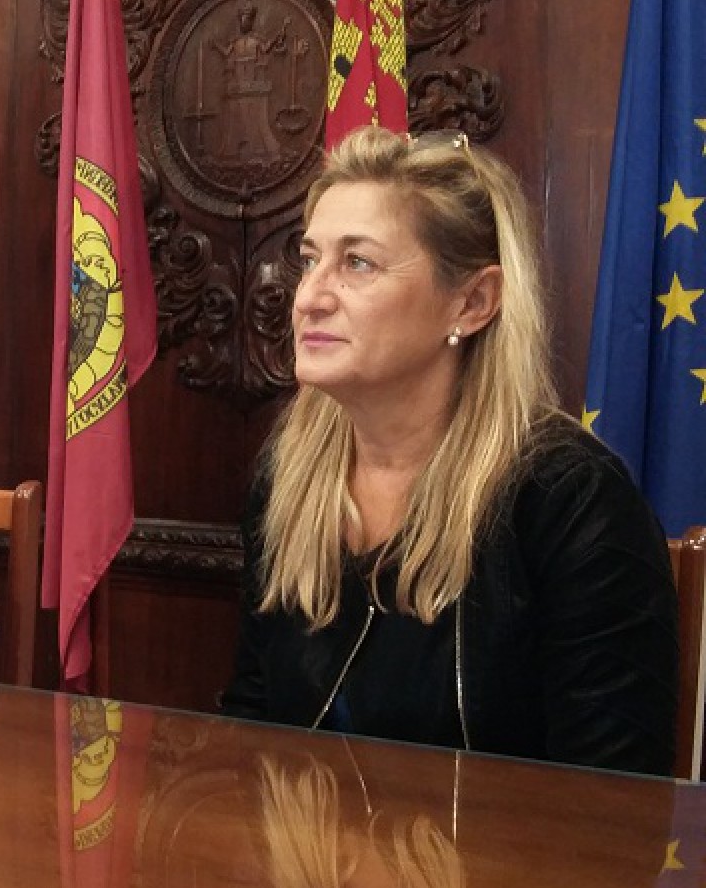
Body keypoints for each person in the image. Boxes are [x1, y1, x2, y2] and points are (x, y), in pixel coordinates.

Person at [219, 125, 678, 776]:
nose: (309, 298)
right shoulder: (286, 475)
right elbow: (252, 728)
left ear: (472, 302)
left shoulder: (573, 501)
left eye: (358, 263)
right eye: (310, 258)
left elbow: (614, 804)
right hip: (304, 847)